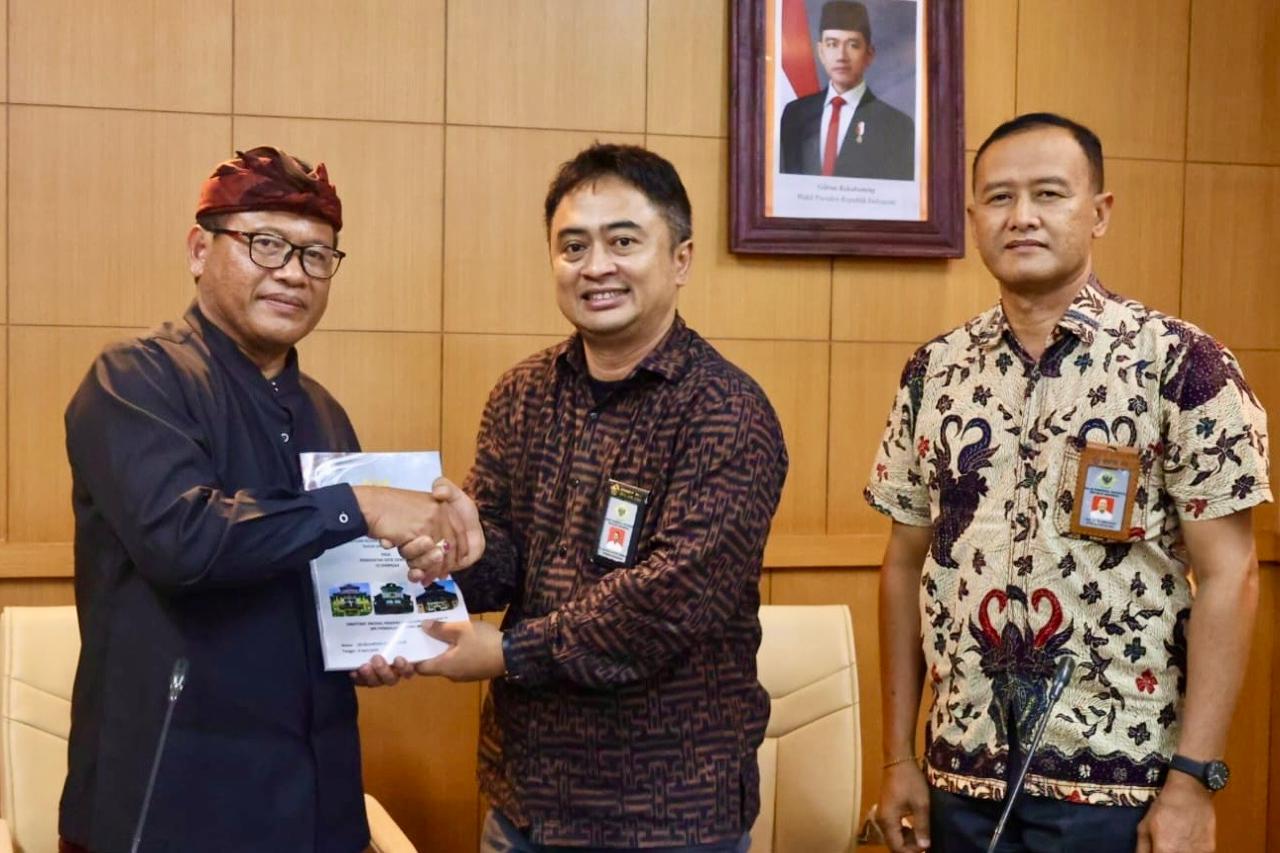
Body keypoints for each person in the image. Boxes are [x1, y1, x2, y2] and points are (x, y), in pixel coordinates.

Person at [59, 146, 482, 853]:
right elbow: (184, 542)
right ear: (200, 250)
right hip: (170, 805)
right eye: (265, 244)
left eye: (316, 255)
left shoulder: (324, 411)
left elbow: (326, 577)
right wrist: (362, 506)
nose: (292, 271)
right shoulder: (134, 379)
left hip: (316, 801)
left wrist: (374, 639)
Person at [867, 113, 1270, 852]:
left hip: (1122, 786)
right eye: (999, 197)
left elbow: (1232, 574)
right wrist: (897, 758)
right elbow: (902, 564)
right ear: (973, 218)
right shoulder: (933, 372)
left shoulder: (1181, 364)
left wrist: (1192, 781)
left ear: (1099, 212)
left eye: (1049, 194)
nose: (1021, 216)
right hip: (960, 777)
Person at [407, 143, 789, 851]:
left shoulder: (726, 411)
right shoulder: (522, 393)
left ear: (680, 259)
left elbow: (668, 600)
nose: (595, 266)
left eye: (623, 242)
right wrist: (452, 557)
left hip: (667, 815)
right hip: (525, 800)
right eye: (573, 246)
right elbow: (502, 562)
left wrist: (508, 652)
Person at [779, 0, 915, 180]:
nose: (841, 56)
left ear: (869, 54)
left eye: (853, 45)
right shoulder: (794, 114)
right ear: (821, 51)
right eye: (832, 44)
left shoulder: (897, 126)